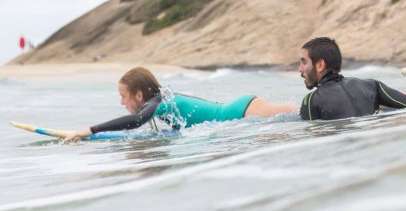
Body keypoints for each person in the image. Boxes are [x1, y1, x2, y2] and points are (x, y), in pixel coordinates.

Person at [64, 67, 296, 141]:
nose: (121, 102)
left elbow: (135, 122)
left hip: (243, 111)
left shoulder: (160, 102)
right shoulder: (161, 101)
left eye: (123, 96)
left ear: (138, 95)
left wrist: (91, 130)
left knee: (306, 115)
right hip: (241, 112)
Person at [298, 37, 406, 121]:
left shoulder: (310, 101)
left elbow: (313, 135)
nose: (300, 69)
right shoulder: (371, 86)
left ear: (320, 65)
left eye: (304, 63)